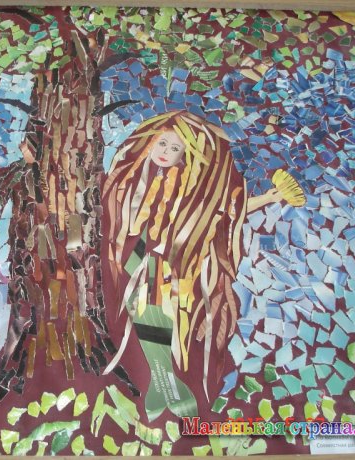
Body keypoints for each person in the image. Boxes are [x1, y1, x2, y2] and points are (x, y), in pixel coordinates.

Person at [100, 110, 305, 421]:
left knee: (163, 314)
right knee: (140, 310)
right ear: (150, 142)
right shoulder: (135, 177)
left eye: (174, 148)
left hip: (173, 264)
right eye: (162, 143)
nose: (165, 152)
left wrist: (270, 197)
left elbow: (227, 210)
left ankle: (166, 384)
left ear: (185, 154)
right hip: (138, 257)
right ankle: (161, 382)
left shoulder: (194, 186)